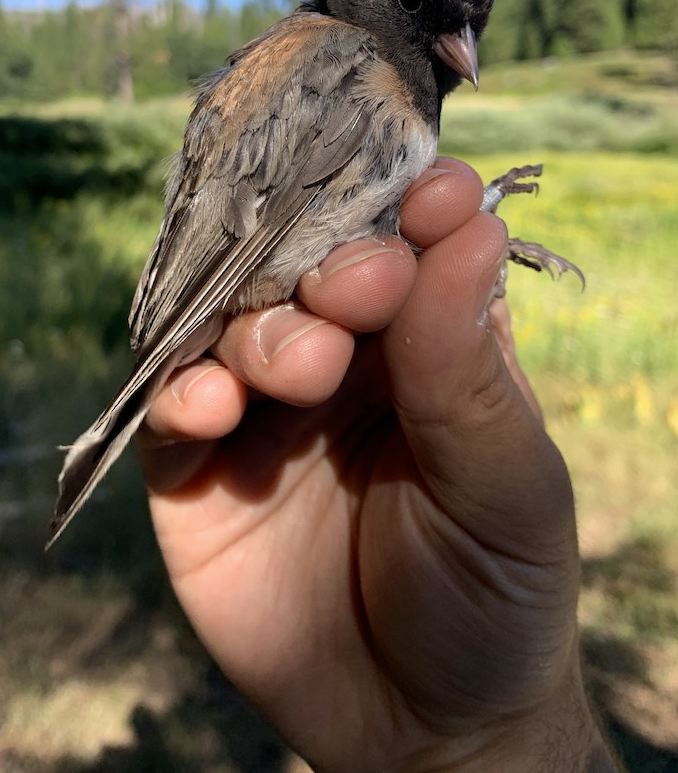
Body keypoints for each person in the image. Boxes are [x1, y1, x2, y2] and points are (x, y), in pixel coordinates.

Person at [137, 158, 619, 772]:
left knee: (385, 258)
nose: (465, 55)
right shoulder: (342, 68)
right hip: (269, 354)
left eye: (476, 51)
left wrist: (503, 736)